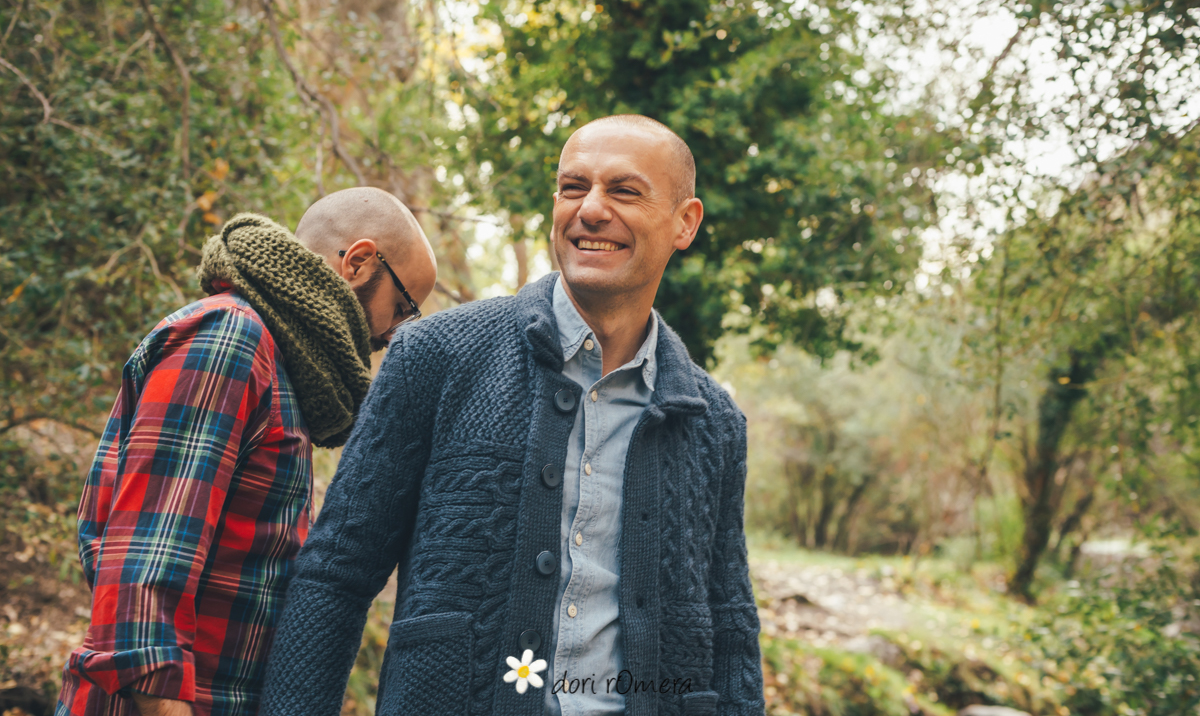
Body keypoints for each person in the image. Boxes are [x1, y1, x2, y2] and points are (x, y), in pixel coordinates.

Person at [259, 115, 765, 716]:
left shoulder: (713, 422)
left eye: (624, 191)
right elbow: (336, 573)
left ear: (686, 222)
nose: (591, 210)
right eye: (573, 187)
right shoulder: (437, 356)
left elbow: (730, 624)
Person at [54, 188, 438, 716]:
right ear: (358, 262)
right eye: (402, 308)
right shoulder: (232, 337)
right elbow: (144, 565)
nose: (393, 334)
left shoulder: (279, 362)